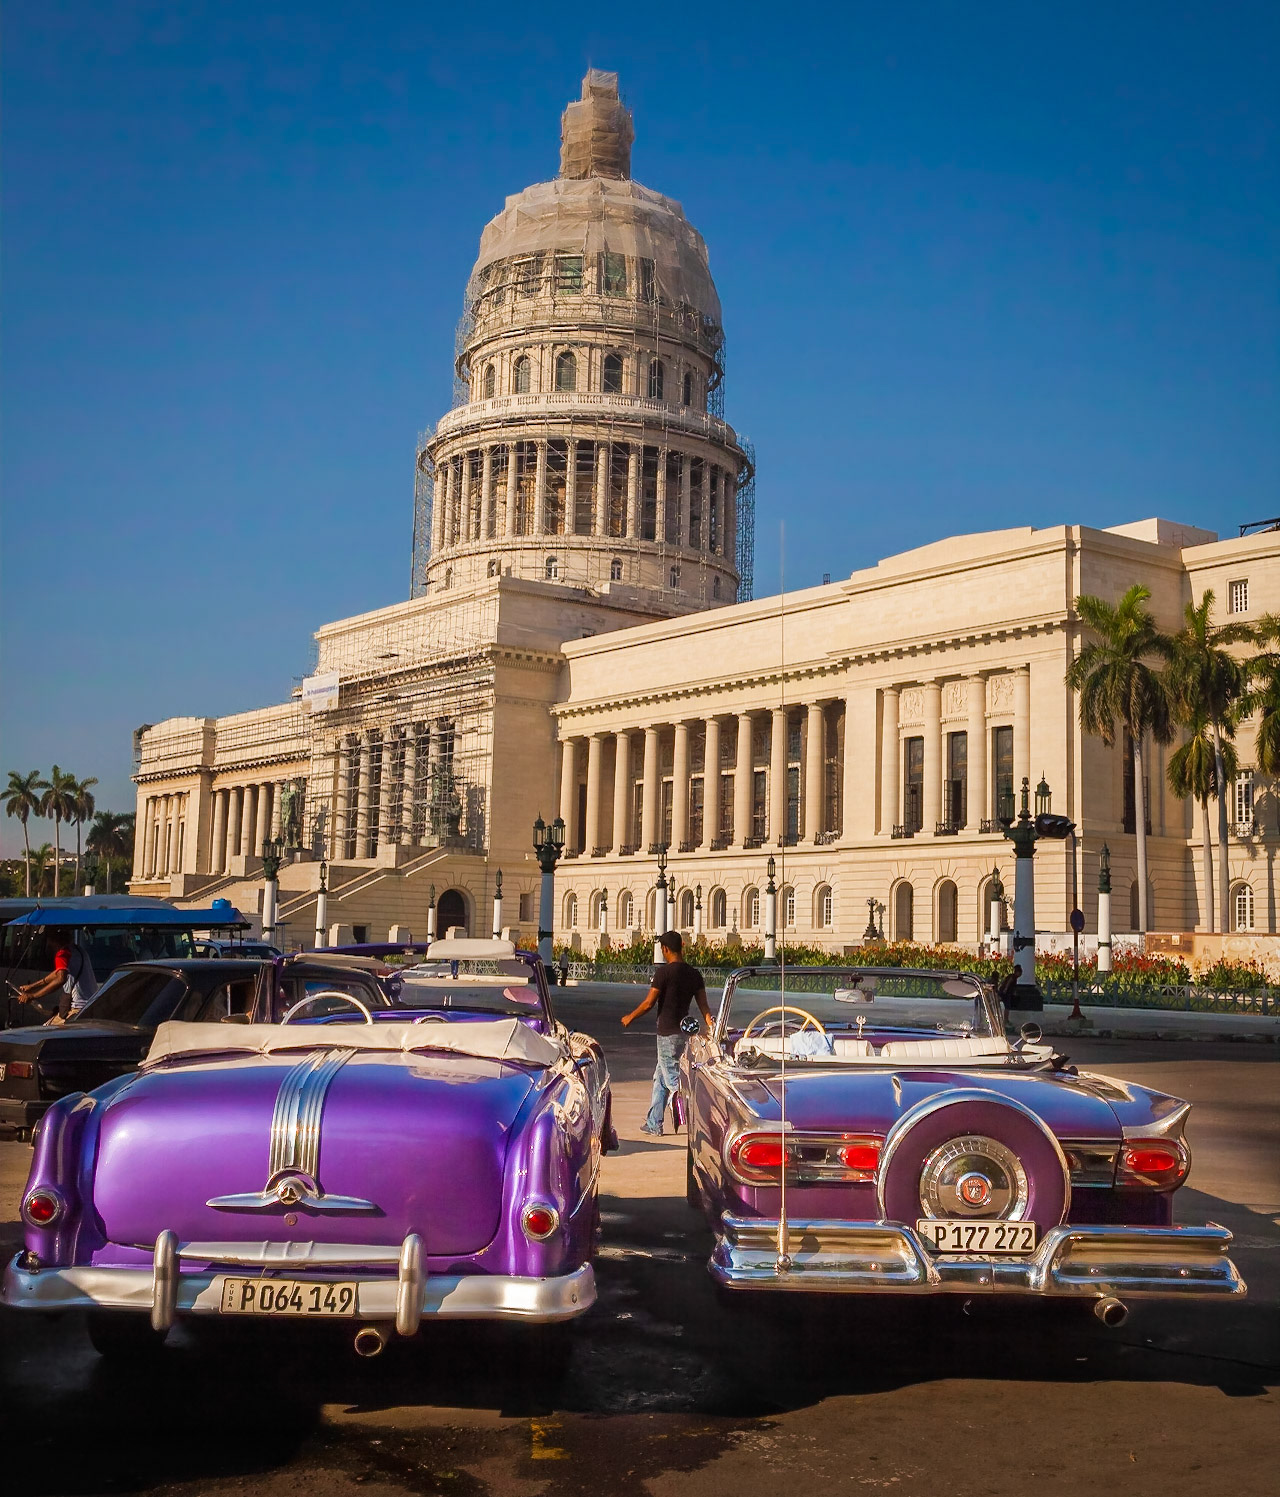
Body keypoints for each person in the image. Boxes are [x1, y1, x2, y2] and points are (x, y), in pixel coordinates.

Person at [621, 930, 711, 1137]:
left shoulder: (663, 973)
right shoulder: (694, 974)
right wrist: (709, 1024)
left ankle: (700, 1119)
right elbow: (704, 1006)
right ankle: (654, 1123)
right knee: (660, 1076)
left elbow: (648, 1003)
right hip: (684, 1033)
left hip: (666, 1032)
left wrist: (630, 1017)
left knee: (673, 1082)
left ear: (665, 949)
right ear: (682, 947)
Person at [15, 933, 99, 1026]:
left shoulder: (62, 954)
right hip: (91, 1006)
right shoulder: (78, 950)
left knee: (46, 1032)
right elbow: (58, 973)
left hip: (77, 1009)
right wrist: (32, 986)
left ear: (52, 941)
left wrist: (33, 996)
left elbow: (60, 978)